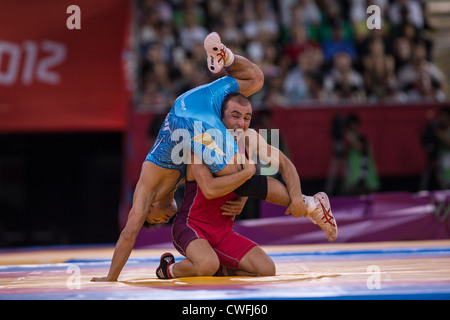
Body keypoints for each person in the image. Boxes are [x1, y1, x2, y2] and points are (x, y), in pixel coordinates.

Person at [91, 32, 308, 282]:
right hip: (193, 106)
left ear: (148, 209)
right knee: (256, 79)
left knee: (233, 169)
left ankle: (306, 203)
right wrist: (244, 192)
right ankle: (225, 56)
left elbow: (129, 234)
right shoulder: (176, 181)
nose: (163, 219)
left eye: (155, 219)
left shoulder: (146, 189)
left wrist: (110, 278)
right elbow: (211, 185)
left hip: (187, 120)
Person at [156, 93, 337, 279]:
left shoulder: (248, 138)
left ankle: (310, 204)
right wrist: (247, 175)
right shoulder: (203, 141)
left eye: (247, 118)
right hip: (191, 226)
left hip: (222, 232)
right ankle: (168, 268)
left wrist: (297, 197)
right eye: (235, 116)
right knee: (206, 264)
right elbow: (209, 190)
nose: (241, 124)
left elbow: (285, 163)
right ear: (220, 117)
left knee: (266, 269)